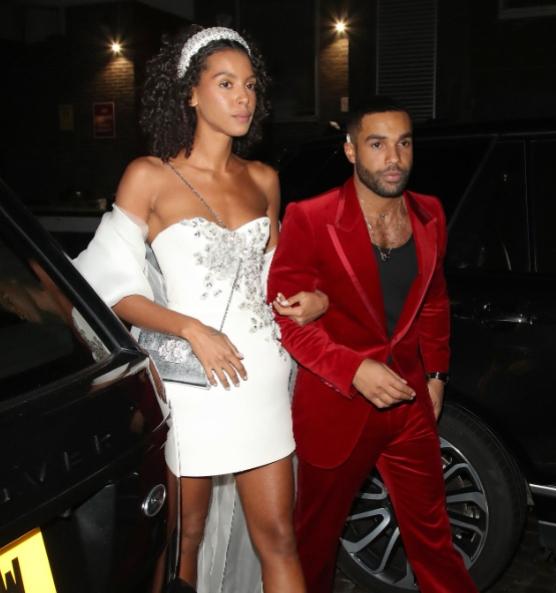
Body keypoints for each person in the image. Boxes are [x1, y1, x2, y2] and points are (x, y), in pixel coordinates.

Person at [72, 25, 327, 592]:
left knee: (280, 540)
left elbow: (276, 278)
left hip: (263, 375)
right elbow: (103, 286)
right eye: (226, 83)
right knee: (183, 536)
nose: (244, 98)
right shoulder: (150, 176)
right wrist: (189, 328)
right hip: (195, 385)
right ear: (190, 93)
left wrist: (312, 301)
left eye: (251, 86)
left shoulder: (265, 179)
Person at [267, 97, 477, 593]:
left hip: (409, 407)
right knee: (314, 544)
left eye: (403, 144)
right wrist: (353, 369)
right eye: (377, 144)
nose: (393, 158)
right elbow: (288, 320)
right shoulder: (311, 217)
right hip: (336, 406)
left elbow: (434, 302)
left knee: (434, 541)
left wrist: (437, 376)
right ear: (350, 150)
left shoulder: (430, 214)